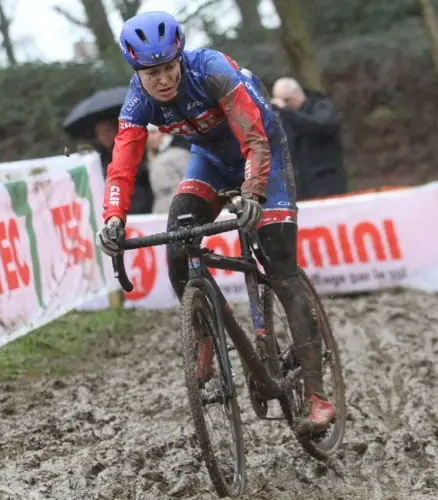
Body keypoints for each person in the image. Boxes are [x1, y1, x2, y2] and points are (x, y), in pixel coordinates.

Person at [96, 11, 335, 434]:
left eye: (169, 67)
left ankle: (316, 396)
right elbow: (122, 164)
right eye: (152, 73)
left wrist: (254, 194)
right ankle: (204, 333)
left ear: (180, 57)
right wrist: (113, 217)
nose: (164, 80)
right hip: (208, 160)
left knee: (279, 266)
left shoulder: (212, 70)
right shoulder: (138, 99)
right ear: (137, 70)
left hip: (262, 153)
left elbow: (257, 140)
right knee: (177, 241)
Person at [271, 77, 348, 200]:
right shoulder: (286, 118)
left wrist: (286, 112)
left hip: (326, 181)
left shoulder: (321, 106)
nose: (285, 105)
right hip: (300, 184)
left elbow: (320, 126)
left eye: (287, 100)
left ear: (297, 93)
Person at [93, 117, 155, 214]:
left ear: (116, 129)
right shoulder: (99, 158)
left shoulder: (130, 147)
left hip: (138, 201)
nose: (105, 136)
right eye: (100, 133)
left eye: (108, 130)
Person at [146, 124, 191, 213]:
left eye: (154, 132)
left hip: (178, 206)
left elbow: (190, 180)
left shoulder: (179, 150)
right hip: (161, 208)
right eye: (149, 134)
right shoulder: (154, 155)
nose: (151, 137)